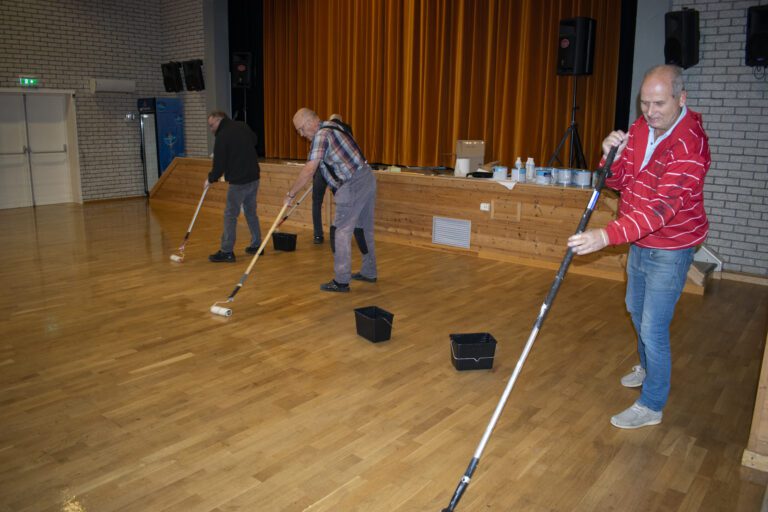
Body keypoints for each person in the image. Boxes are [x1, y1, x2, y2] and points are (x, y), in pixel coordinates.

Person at [567, 65, 711, 429]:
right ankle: (647, 368)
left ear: (682, 99)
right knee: (634, 309)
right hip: (640, 241)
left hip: (671, 247)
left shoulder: (690, 145)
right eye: (644, 103)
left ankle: (651, 404)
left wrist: (606, 236)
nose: (650, 111)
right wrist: (608, 156)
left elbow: (661, 210)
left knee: (653, 328)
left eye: (659, 103)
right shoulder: (641, 128)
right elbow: (618, 181)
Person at [286, 108, 377, 292]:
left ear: (311, 122)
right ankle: (369, 271)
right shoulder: (333, 126)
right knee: (363, 229)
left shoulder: (321, 135)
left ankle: (341, 281)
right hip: (366, 177)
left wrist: (291, 194)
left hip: (353, 185)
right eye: (299, 131)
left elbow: (309, 169)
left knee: (341, 231)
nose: (302, 135)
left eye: (301, 129)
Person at [205, 111, 262, 263]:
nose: (211, 129)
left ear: (219, 119)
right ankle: (257, 245)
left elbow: (219, 164)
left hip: (239, 182)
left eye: (212, 125)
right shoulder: (242, 126)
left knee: (230, 215)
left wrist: (211, 178)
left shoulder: (222, 136)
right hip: (254, 177)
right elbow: (254, 140)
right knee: (251, 212)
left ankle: (227, 251)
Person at [310, 114, 353, 244]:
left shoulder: (321, 130)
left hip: (321, 171)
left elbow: (315, 153)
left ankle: (318, 235)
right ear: (340, 121)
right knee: (343, 204)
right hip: (337, 173)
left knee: (316, 202)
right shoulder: (346, 128)